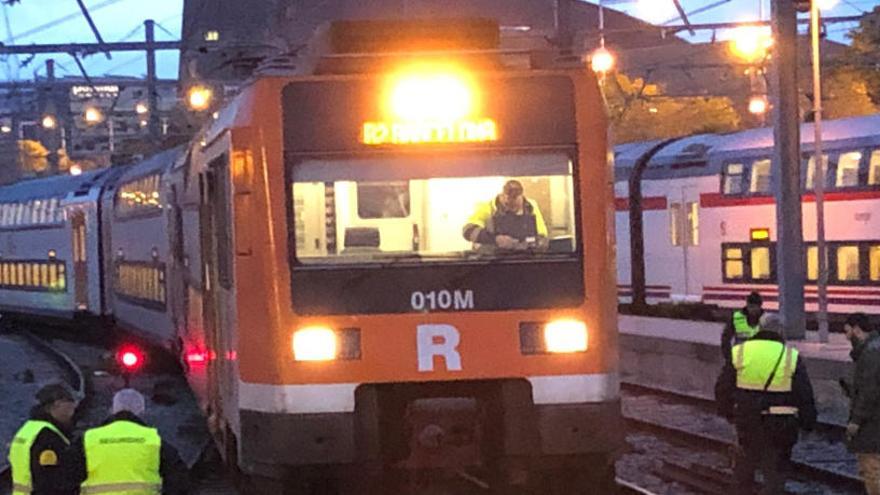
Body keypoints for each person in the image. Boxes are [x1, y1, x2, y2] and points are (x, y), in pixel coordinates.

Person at [715, 313, 816, 494]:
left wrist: (728, 413)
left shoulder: (740, 352)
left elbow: (722, 387)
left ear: (759, 330)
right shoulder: (790, 356)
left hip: (748, 421)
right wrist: (808, 423)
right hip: (782, 425)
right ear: (780, 332)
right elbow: (804, 394)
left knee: (744, 470)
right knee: (775, 475)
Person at [68, 388, 190, 495]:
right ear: (141, 411)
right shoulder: (153, 440)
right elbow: (179, 481)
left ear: (113, 410)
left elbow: (68, 477)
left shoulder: (89, 439)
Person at [7, 383, 78, 495]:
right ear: (57, 404)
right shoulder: (48, 436)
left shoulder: (27, 429)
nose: (73, 408)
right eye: (70, 404)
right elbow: (52, 479)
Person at [843, 313, 880, 495]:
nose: (846, 336)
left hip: (873, 423)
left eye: (848, 331)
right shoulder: (873, 349)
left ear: (857, 329)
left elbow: (869, 391)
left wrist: (856, 421)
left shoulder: (870, 353)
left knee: (872, 469)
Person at [462, 179, 548, 251]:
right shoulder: (487, 208)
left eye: (516, 207)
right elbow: (467, 230)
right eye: (508, 205)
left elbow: (542, 235)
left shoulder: (531, 206)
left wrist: (533, 243)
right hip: (493, 262)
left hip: (524, 260)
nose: (512, 210)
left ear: (522, 197)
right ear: (502, 197)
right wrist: (495, 239)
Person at [721, 291, 764, 360]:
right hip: (741, 360)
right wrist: (729, 357)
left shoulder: (767, 320)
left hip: (759, 360)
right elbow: (725, 339)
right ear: (747, 304)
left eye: (755, 307)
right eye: (751, 306)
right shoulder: (737, 318)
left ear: (760, 306)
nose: (753, 310)